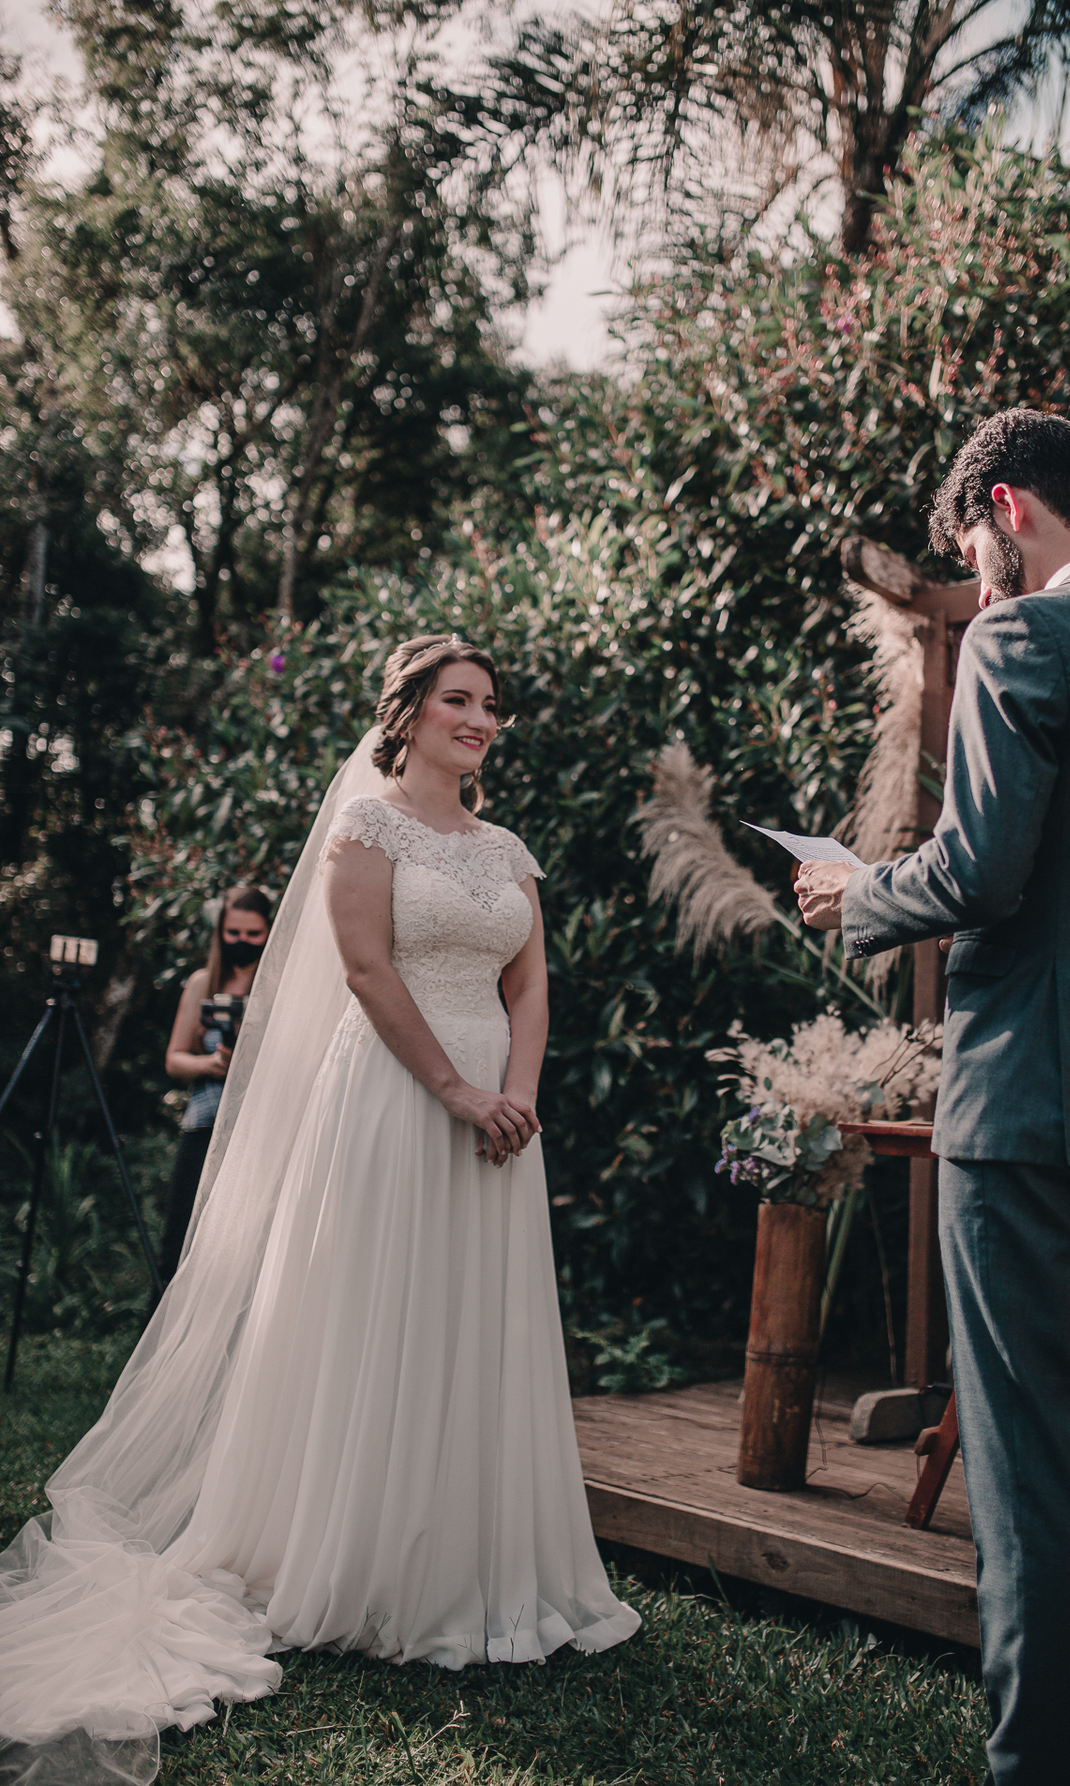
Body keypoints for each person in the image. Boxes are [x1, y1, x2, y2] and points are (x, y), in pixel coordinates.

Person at [0, 633, 638, 1783]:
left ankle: (473, 1558)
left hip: (498, 1104)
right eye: (459, 699)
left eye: (491, 704)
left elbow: (532, 980)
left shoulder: (508, 850)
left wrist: (517, 1094)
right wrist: (453, 1090)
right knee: (381, 1311)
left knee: (470, 1321)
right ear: (409, 714)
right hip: (394, 1094)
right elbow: (366, 972)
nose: (481, 720)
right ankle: (357, 1557)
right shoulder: (365, 828)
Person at [796, 409, 1070, 1786]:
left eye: (972, 542)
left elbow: (979, 870)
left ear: (1009, 506)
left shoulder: (1024, 637)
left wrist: (860, 892)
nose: (976, 571)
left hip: (1028, 1104)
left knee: (1029, 1465)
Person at [158, 887, 271, 1287]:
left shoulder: (279, 987)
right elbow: (175, 1059)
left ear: (269, 931)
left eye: (253, 934)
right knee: (179, 1241)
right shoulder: (202, 984)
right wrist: (212, 1064)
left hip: (259, 1132)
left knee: (245, 1248)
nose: (242, 941)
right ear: (220, 931)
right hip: (204, 1125)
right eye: (233, 932)